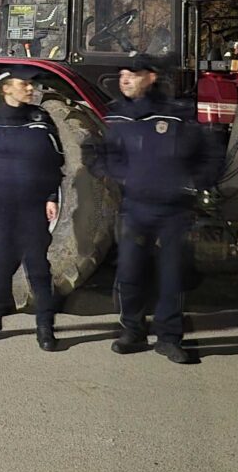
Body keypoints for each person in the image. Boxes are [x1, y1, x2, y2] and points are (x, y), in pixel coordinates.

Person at [86, 55, 223, 364]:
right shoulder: (117, 117)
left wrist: (194, 183)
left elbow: (211, 154)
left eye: (131, 74)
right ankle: (132, 332)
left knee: (172, 276)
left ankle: (169, 338)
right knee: (130, 273)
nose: (124, 79)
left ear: (150, 77)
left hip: (174, 212)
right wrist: (119, 176)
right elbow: (98, 153)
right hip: (135, 209)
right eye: (121, 73)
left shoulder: (178, 114)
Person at [0, 67, 65, 351]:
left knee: (39, 268)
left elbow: (54, 162)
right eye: (24, 83)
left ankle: (45, 327)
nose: (30, 88)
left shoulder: (40, 118)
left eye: (32, 84)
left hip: (32, 207)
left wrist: (51, 195)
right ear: (7, 87)